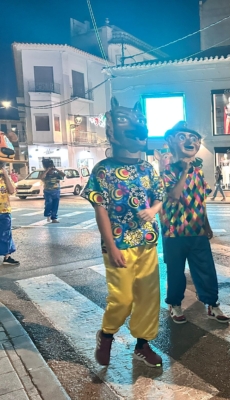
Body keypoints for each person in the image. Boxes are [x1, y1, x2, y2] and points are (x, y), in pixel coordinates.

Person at [82, 97, 163, 368]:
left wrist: (152, 212)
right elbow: (100, 208)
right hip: (119, 243)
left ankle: (142, 344)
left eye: (140, 123)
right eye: (126, 121)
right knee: (122, 297)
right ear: (112, 133)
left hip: (146, 240)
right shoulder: (102, 170)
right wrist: (111, 246)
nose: (138, 127)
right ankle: (106, 334)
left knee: (149, 297)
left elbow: (159, 197)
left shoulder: (147, 168)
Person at [161, 121, 230, 325]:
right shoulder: (167, 172)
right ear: (171, 141)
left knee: (206, 269)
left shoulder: (198, 173)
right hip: (173, 232)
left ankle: (212, 304)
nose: (190, 141)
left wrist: (206, 225)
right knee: (175, 271)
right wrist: (184, 171)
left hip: (197, 231)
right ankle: (174, 304)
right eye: (183, 137)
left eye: (194, 138)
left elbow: (201, 200)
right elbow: (174, 195)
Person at [0, 162, 19, 265]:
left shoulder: (5, 178)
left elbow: (11, 190)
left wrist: (6, 175)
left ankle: (7, 256)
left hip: (4, 210)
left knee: (6, 234)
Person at [40, 158, 65, 223]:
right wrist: (47, 170)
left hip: (56, 191)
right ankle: (48, 215)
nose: (51, 170)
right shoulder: (45, 174)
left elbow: (63, 175)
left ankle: (54, 218)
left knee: (55, 204)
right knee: (49, 203)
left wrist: (56, 169)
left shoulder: (56, 174)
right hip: (47, 191)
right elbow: (41, 177)